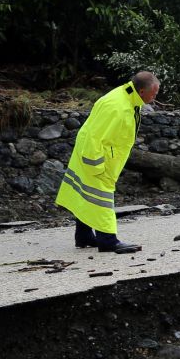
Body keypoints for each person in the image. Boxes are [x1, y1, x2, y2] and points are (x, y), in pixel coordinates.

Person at [57, 71, 159, 253]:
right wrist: (95, 163)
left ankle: (84, 235)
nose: (155, 97)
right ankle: (108, 240)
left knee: (87, 195)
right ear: (142, 91)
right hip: (96, 157)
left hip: (94, 153)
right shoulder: (118, 107)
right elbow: (94, 135)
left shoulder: (126, 97)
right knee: (101, 198)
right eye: (154, 93)